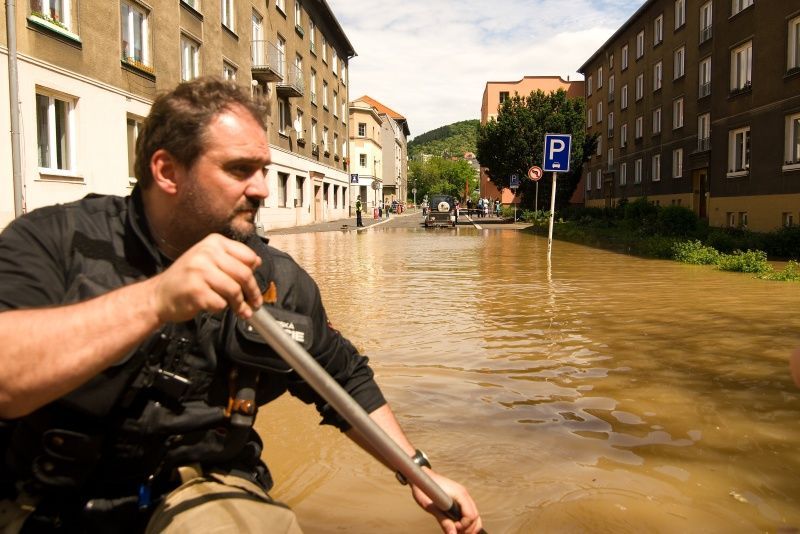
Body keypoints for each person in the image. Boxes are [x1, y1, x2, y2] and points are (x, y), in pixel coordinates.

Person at [0, 78, 482, 534]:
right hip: (44, 499)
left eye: (264, 170)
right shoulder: (54, 241)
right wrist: (154, 300)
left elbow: (345, 379)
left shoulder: (276, 279)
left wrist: (422, 476)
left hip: (205, 490)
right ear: (167, 171)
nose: (262, 189)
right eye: (238, 170)